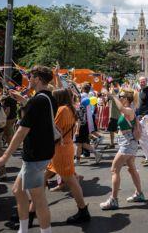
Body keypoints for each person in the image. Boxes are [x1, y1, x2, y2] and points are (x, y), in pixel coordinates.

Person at [0, 66, 57, 233]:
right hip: (41, 152)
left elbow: (21, 131)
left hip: (35, 155)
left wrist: (4, 157)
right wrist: (24, 101)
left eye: (31, 77)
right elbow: (38, 118)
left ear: (38, 79)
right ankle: (23, 229)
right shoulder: (48, 98)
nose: (28, 79)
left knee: (38, 200)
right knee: (17, 190)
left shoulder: (37, 100)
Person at [44, 88, 91, 223]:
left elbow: (53, 129)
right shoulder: (69, 108)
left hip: (61, 148)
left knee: (70, 181)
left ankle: (83, 210)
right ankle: (31, 210)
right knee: (43, 177)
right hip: (65, 146)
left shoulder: (62, 110)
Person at [100, 89, 145, 210]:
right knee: (131, 168)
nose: (120, 97)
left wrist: (113, 96)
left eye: (122, 96)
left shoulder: (129, 110)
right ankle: (139, 194)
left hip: (128, 144)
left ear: (126, 99)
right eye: (119, 96)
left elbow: (120, 109)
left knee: (114, 169)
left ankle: (113, 200)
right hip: (129, 143)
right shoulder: (129, 109)